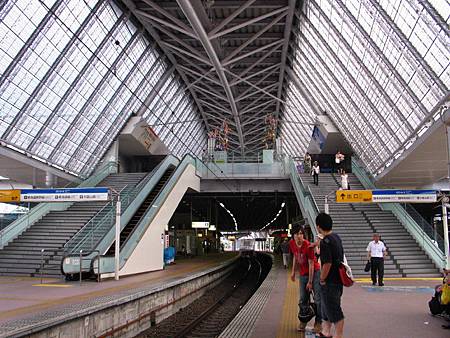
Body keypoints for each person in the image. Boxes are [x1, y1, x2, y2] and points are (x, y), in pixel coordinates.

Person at [316, 213, 345, 338]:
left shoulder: (325, 242)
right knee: (326, 307)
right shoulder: (336, 237)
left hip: (330, 282)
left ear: (318, 226)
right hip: (338, 280)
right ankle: (326, 332)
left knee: (335, 311)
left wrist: (322, 279)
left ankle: (338, 336)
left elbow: (327, 264)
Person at [290, 226, 322, 334]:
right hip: (303, 274)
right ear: (293, 235)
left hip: (315, 273)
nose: (299, 236)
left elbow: (311, 264)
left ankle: (318, 322)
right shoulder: (292, 244)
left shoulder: (308, 246)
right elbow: (295, 256)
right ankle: (303, 321)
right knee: (303, 299)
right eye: (296, 234)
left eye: (300, 233)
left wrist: (310, 282)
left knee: (317, 298)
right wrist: (293, 271)